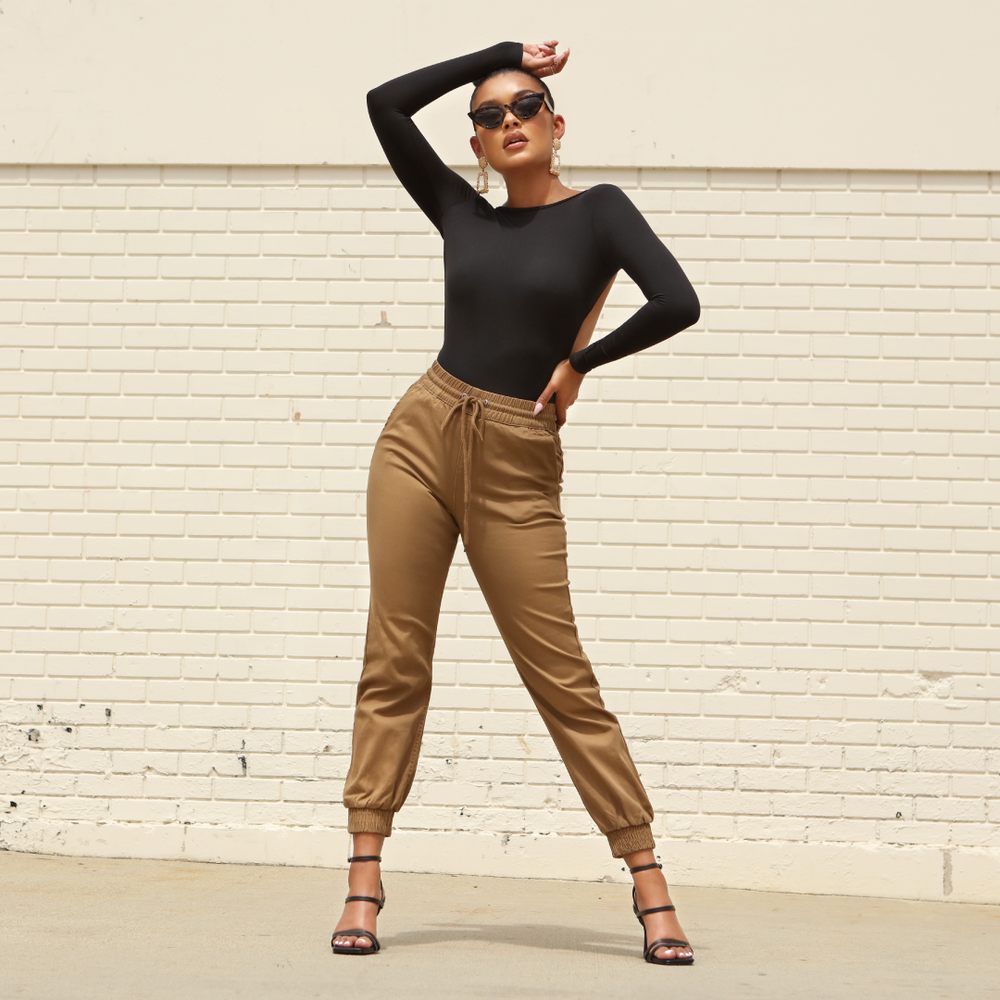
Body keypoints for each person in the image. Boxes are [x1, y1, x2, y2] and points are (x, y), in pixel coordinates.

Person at [332, 39, 700, 966]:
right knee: (395, 658)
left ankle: (648, 879)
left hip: (516, 451)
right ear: (477, 144)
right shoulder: (460, 211)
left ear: (556, 122)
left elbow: (676, 301)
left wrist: (580, 363)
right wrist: (496, 55)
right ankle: (364, 876)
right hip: (420, 435)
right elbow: (384, 104)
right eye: (490, 115)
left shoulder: (600, 212)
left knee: (560, 673)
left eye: (525, 105)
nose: (509, 121)